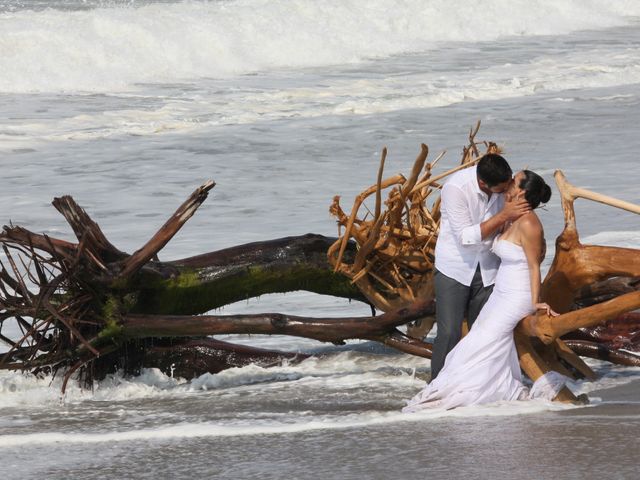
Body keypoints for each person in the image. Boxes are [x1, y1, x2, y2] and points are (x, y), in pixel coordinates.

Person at [403, 170, 564, 412]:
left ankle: (467, 391)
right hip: (501, 291)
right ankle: (487, 386)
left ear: (520, 191)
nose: (509, 181)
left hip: (517, 295)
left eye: (514, 180)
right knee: (481, 338)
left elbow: (534, 265)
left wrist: (536, 301)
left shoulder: (529, 222)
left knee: (480, 341)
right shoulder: (512, 216)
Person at [430, 153, 530, 380]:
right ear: (484, 183)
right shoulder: (455, 188)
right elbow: (466, 237)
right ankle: (436, 386)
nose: (507, 191)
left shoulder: (504, 184)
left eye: (508, 185)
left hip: (490, 267)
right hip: (455, 267)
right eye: (502, 189)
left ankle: (478, 385)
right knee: (448, 332)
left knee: (483, 332)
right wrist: (504, 215)